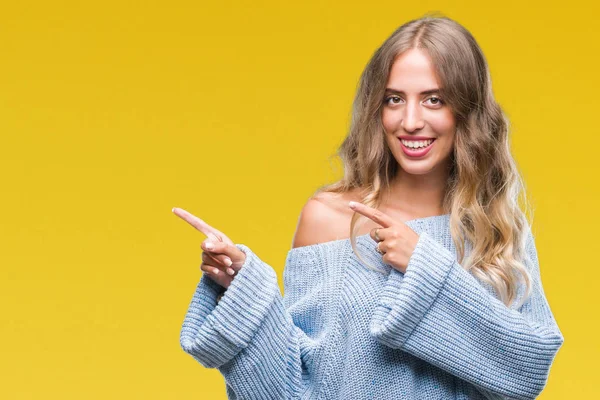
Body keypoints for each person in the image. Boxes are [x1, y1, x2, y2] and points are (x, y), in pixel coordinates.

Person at [173, 14, 564, 400]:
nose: (410, 121)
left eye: (433, 99)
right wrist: (243, 288)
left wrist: (423, 266)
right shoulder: (329, 218)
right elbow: (291, 386)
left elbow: (526, 373)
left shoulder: (494, 229)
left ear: (466, 111)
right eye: (394, 99)